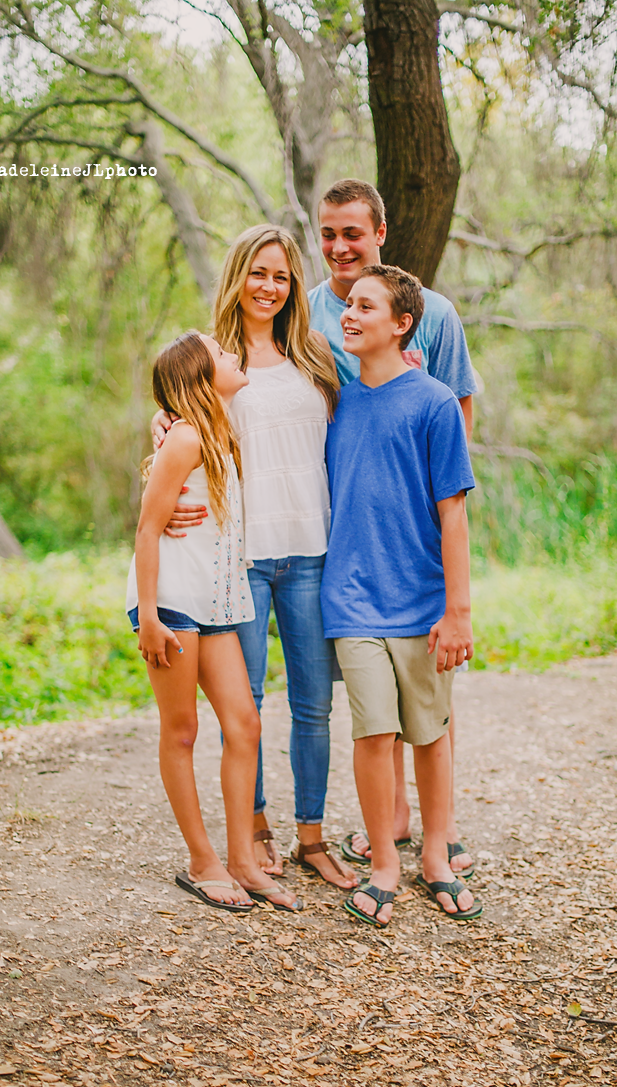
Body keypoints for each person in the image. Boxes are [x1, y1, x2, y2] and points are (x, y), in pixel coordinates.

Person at [151, 228, 358, 891]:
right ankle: (256, 832)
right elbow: (176, 439)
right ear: (237, 277)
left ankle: (312, 836)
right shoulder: (215, 360)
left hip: (311, 549)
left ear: (293, 285)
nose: (269, 286)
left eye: (282, 276)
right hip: (239, 559)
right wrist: (152, 446)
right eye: (258, 273)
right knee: (247, 707)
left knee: (314, 705)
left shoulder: (316, 356)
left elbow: (357, 424)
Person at [309, 179, 478, 881]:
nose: (340, 247)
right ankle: (392, 836)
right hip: (347, 568)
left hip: (415, 561)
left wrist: (454, 589)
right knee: (372, 722)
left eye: (353, 233)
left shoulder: (434, 319)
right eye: (328, 234)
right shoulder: (311, 319)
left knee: (426, 714)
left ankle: (435, 842)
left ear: (379, 232)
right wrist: (172, 417)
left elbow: (454, 424)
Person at [128, 331, 302, 913]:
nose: (234, 356)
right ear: (203, 376)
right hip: (173, 602)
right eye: (222, 354)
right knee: (182, 730)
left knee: (244, 723)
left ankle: (244, 862)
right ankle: (203, 862)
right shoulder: (185, 439)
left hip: (218, 601)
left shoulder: (218, 430)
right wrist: (148, 617)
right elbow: (148, 529)